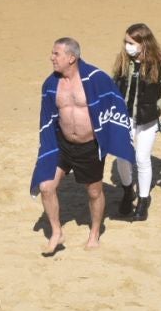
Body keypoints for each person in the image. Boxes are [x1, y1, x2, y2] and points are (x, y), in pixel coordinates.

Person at [29, 37, 135, 254]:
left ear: (71, 57)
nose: (52, 58)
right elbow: (47, 117)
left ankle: (94, 232)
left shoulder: (96, 79)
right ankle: (56, 232)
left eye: (56, 54)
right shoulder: (51, 84)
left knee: (94, 192)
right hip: (62, 145)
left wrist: (115, 135)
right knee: (46, 186)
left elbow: (115, 102)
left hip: (88, 146)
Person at [110, 23, 161, 222]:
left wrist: (158, 106)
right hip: (125, 118)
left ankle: (142, 200)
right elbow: (114, 83)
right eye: (125, 42)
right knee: (123, 157)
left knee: (141, 158)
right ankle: (127, 191)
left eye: (131, 43)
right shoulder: (122, 61)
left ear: (143, 43)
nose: (127, 46)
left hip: (148, 120)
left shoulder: (159, 63)